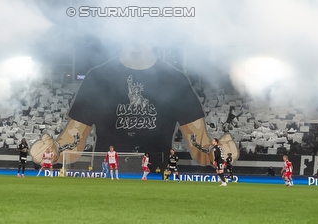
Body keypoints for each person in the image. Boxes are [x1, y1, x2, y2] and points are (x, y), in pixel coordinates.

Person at [30, 45, 236, 168]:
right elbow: (73, 141)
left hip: (157, 177)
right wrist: (54, 151)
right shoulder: (98, 77)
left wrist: (216, 153)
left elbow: (199, 145)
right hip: (107, 176)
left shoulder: (176, 80)